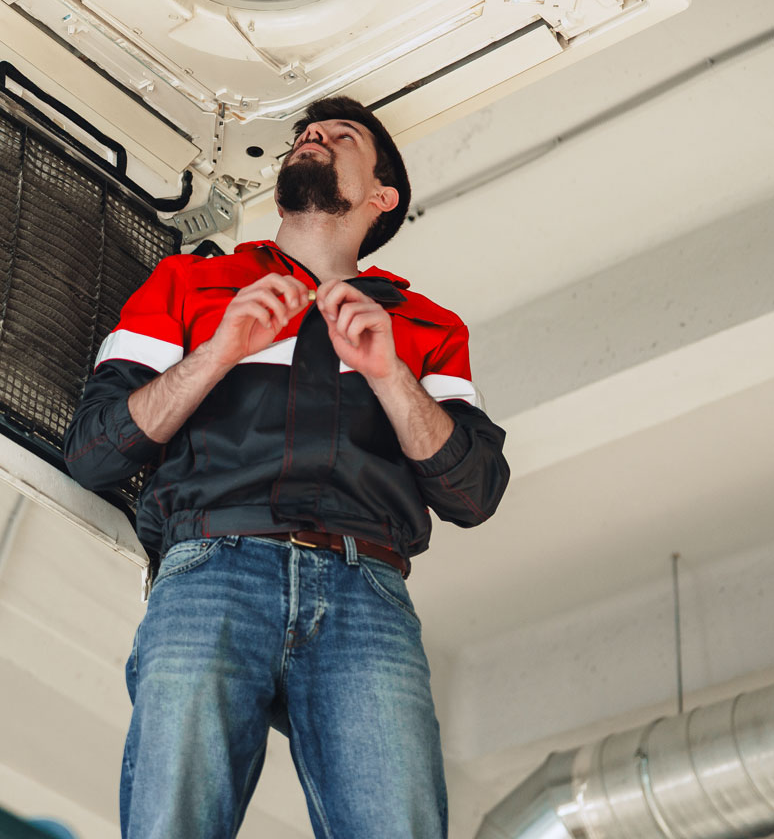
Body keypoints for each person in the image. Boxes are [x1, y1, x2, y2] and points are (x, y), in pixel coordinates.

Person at [63, 95, 509, 839]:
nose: (313, 136)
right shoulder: (185, 282)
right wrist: (220, 352)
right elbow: (93, 453)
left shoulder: (428, 327)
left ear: (383, 196)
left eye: (341, 135)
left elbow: (475, 492)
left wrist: (389, 375)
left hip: (366, 593)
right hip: (210, 569)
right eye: (305, 133)